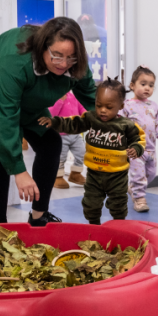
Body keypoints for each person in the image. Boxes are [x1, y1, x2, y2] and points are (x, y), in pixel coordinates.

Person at [0, 17, 97, 226]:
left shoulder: (75, 62)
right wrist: (19, 170)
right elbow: (5, 116)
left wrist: (117, 126)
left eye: (71, 58)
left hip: (27, 95)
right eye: (57, 56)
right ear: (43, 47)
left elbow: (92, 98)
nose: (64, 64)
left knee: (51, 142)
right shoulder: (14, 61)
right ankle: (0, 228)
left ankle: (38, 215)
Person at [38, 79, 147, 225]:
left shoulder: (126, 125)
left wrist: (136, 149)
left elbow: (139, 138)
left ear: (120, 106)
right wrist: (55, 122)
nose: (102, 110)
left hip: (117, 175)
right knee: (91, 204)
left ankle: (119, 225)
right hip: (94, 173)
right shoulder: (91, 118)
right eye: (99, 105)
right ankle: (94, 225)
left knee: (118, 205)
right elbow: (73, 123)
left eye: (109, 107)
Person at [119, 66, 158, 212]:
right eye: (143, 84)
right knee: (138, 175)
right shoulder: (127, 105)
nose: (147, 88)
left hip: (151, 148)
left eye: (151, 85)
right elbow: (120, 123)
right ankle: (139, 199)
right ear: (132, 85)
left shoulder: (153, 106)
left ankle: (134, 188)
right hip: (135, 148)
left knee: (152, 173)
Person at [49, 92, 89, 189]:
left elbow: (81, 107)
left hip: (75, 133)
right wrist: (60, 100)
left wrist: (86, 114)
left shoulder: (73, 95)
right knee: (61, 157)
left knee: (82, 152)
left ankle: (75, 173)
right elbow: (51, 114)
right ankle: (57, 177)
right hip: (61, 134)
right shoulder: (53, 97)